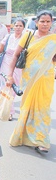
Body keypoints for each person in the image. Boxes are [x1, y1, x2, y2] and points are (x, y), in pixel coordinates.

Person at [6, 10, 56, 154]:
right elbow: (15, 56)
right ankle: (22, 137)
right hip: (28, 79)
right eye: (42, 21)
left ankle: (41, 140)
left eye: (48, 21)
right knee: (26, 107)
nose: (45, 24)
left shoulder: (53, 39)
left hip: (45, 80)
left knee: (43, 109)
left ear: (51, 22)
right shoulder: (28, 36)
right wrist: (10, 75)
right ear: (36, 22)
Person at [0, 18, 25, 121]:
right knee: (4, 87)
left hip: (17, 67)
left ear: (23, 27)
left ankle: (8, 108)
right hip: (5, 64)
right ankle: (8, 111)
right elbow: (0, 51)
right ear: (13, 26)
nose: (18, 28)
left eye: (20, 26)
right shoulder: (8, 37)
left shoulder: (25, 39)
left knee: (13, 88)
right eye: (16, 25)